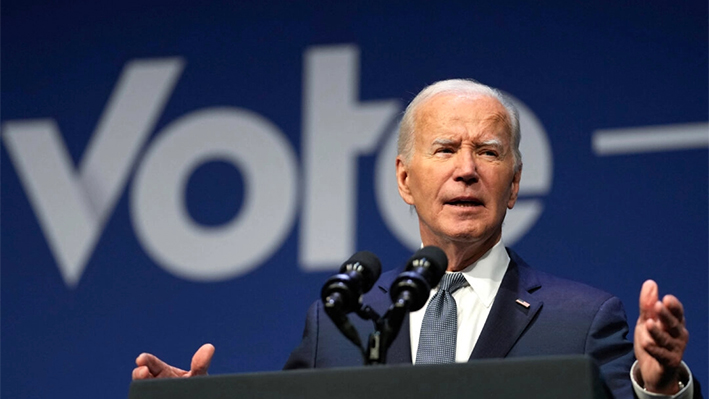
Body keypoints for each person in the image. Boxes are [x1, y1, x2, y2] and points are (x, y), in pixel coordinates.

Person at [133, 79, 700, 399]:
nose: (467, 169)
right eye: (446, 149)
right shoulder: (337, 323)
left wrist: (659, 386)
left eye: (489, 152)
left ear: (515, 184)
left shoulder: (582, 319)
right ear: (405, 179)